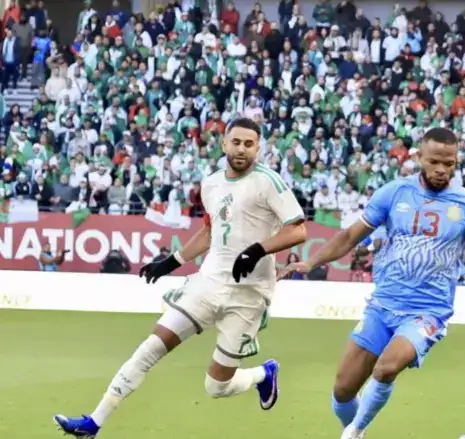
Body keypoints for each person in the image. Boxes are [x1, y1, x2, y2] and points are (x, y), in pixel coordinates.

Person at [53, 118, 309, 437]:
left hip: (249, 295)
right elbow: (208, 232)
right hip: (208, 283)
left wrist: (257, 250)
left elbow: (298, 229)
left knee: (216, 386)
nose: (241, 149)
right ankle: (94, 422)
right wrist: (171, 262)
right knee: (151, 347)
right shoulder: (212, 184)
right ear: (224, 144)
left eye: (249, 143)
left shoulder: (268, 182)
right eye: (236, 142)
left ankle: (263, 373)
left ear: (258, 147)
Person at [281, 127, 465, 439]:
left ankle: (354, 433)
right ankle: (353, 428)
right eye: (435, 161)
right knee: (342, 391)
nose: (441, 169)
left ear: (456, 162)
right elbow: (350, 237)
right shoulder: (393, 193)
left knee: (386, 368)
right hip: (383, 306)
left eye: (449, 163)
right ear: (419, 157)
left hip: (427, 312)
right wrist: (311, 262)